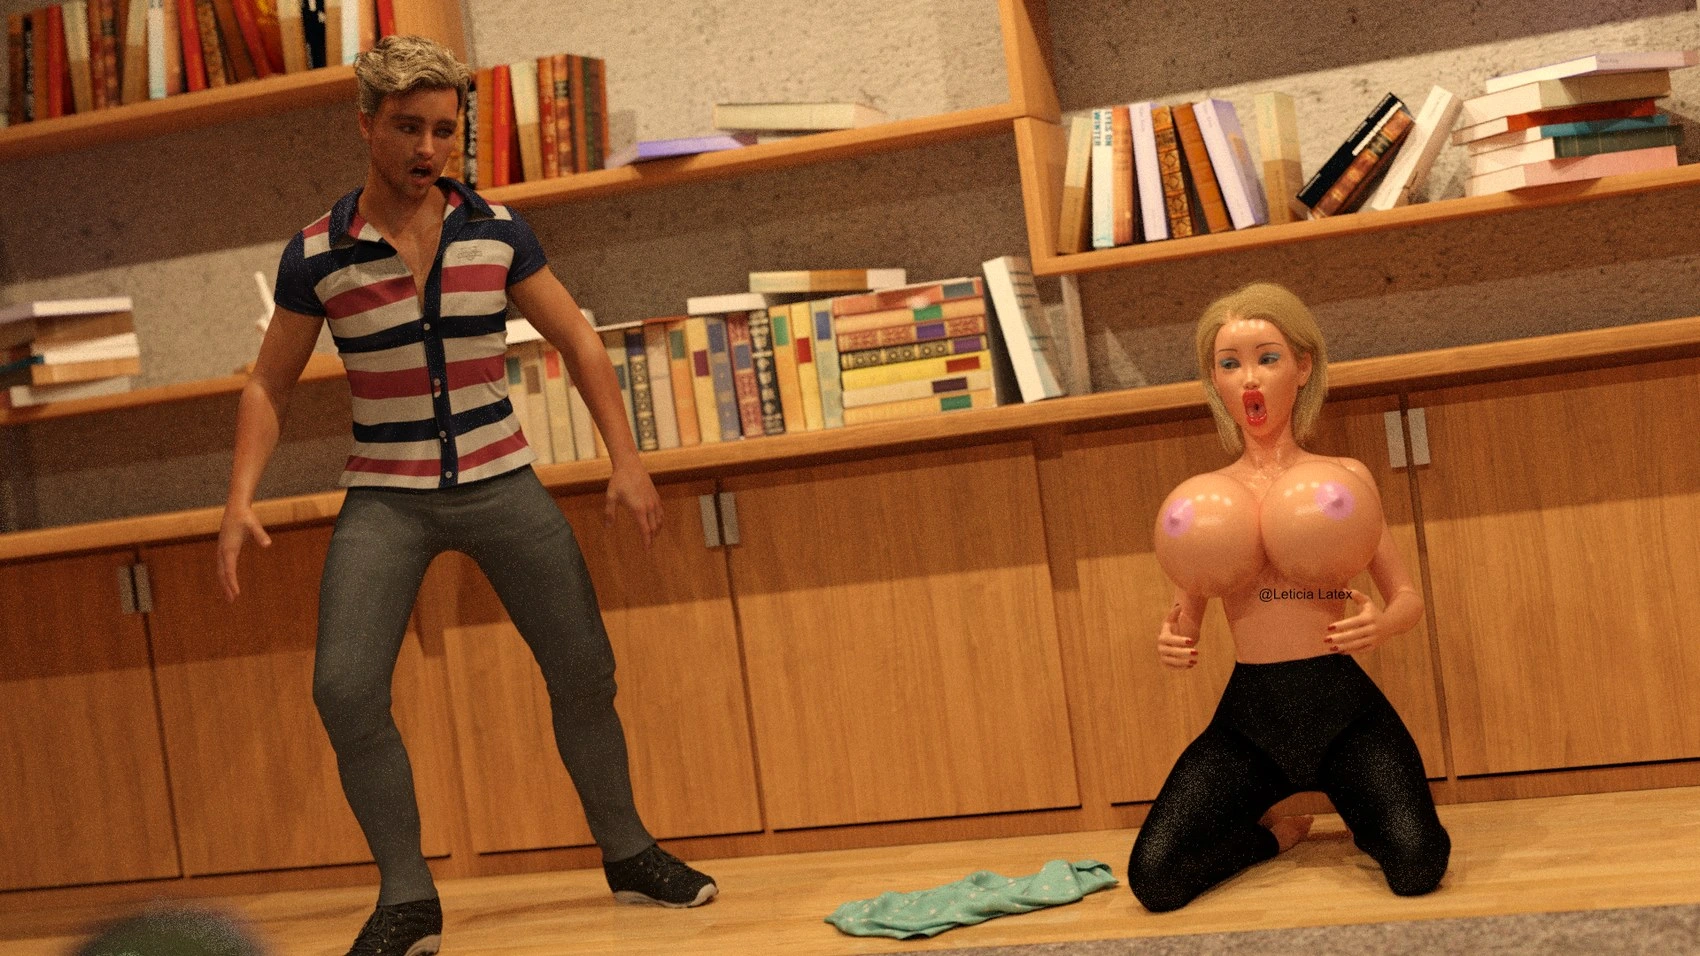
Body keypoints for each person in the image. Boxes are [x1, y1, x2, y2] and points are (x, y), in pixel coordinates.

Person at [217, 35, 716, 956]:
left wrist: (627, 459)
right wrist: (239, 498)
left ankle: (629, 850)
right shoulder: (318, 252)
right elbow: (268, 384)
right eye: (408, 127)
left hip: (502, 482)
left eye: (444, 130)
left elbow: (578, 339)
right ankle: (407, 898)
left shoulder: (498, 229)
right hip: (386, 496)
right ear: (366, 124)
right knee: (344, 690)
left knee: (584, 670)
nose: (428, 148)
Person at [1126, 282, 1450, 912]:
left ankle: (1364, 816)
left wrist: (1381, 625)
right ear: (1215, 382)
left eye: (1267, 358)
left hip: (1345, 715)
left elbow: (1407, 598)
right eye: (1230, 364)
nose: (1249, 378)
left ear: (1302, 368)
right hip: (1250, 721)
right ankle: (1274, 837)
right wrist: (1173, 638)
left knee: (1418, 865)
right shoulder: (1205, 499)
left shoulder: (1344, 479)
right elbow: (1186, 615)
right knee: (1154, 880)